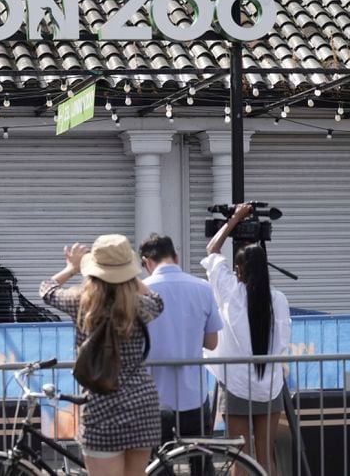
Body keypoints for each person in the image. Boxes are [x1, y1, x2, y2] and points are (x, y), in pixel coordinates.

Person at [40, 235, 163, 476]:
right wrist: (129, 276)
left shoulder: (80, 302)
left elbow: (47, 289)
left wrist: (71, 268)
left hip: (101, 406)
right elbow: (158, 301)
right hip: (142, 406)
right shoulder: (139, 306)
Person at [203, 203, 291, 476]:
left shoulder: (230, 292)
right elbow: (285, 341)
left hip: (237, 385)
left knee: (240, 458)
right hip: (270, 386)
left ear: (238, 271)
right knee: (265, 458)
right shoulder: (279, 299)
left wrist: (234, 220)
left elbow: (212, 250)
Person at [140, 234, 222, 476]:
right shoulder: (203, 288)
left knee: (158, 465)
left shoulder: (141, 292)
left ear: (146, 262)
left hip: (153, 398)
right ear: (176, 256)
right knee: (201, 463)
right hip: (193, 395)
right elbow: (212, 342)